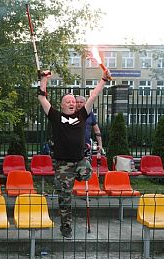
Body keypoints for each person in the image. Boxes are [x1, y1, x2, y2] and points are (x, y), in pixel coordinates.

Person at [37, 69, 110, 239]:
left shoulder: (81, 115)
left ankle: (77, 175)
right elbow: (42, 97)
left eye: (73, 101)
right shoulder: (55, 116)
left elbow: (93, 96)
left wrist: (103, 80)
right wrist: (43, 79)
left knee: (87, 174)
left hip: (80, 161)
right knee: (65, 197)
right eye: (67, 101)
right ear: (62, 105)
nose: (71, 103)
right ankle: (66, 226)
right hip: (63, 165)